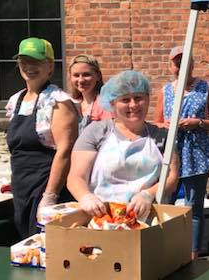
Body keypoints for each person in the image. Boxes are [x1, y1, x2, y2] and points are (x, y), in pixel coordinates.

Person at [68, 70, 179, 220]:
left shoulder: (162, 136)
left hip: (149, 220)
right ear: (112, 103)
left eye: (138, 98)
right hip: (103, 218)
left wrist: (148, 194)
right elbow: (76, 176)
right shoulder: (97, 131)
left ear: (147, 99)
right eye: (125, 100)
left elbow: (172, 177)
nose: (133, 105)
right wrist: (86, 197)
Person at [153, 46, 209, 257]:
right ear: (170, 66)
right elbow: (157, 122)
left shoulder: (205, 88)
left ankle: (193, 254)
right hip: (171, 153)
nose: (180, 67)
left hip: (196, 154)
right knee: (165, 203)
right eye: (177, 63)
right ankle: (166, 251)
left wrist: (199, 123)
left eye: (185, 62)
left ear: (193, 65)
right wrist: (166, 125)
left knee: (193, 206)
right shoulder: (165, 91)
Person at [5, 37, 78, 239]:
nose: (29, 67)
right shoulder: (16, 100)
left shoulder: (58, 102)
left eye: (36, 61)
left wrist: (50, 196)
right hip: (21, 187)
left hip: (45, 185)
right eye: (24, 61)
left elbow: (65, 150)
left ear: (50, 66)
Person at [67, 54, 112, 130]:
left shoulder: (106, 105)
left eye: (86, 75)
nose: (81, 80)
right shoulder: (71, 103)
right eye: (76, 75)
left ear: (98, 76)